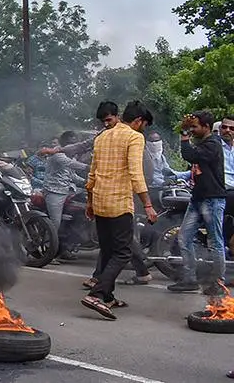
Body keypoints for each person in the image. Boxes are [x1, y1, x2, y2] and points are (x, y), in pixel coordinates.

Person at [81, 101, 158, 320]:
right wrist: (148, 204)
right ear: (138, 121)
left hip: (99, 201)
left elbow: (92, 174)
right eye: (143, 125)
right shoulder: (134, 137)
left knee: (107, 251)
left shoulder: (103, 137)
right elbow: (136, 173)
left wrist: (89, 202)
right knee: (123, 251)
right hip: (119, 204)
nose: (143, 129)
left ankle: (107, 297)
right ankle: (96, 295)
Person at [169, 110, 227, 297]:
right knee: (184, 238)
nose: (192, 130)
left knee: (216, 243)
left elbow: (190, 155)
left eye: (195, 127)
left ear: (206, 127)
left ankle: (218, 284)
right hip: (198, 199)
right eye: (191, 127)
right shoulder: (205, 143)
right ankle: (189, 279)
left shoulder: (212, 144)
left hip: (212, 199)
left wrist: (184, 134)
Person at [43, 131, 90, 261]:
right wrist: (91, 167)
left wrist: (86, 182)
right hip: (55, 192)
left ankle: (65, 247)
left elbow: (72, 175)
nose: (74, 146)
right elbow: (72, 165)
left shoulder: (70, 156)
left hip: (69, 191)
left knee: (80, 216)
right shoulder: (58, 154)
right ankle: (48, 254)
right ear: (64, 144)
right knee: (55, 224)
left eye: (75, 143)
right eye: (71, 143)